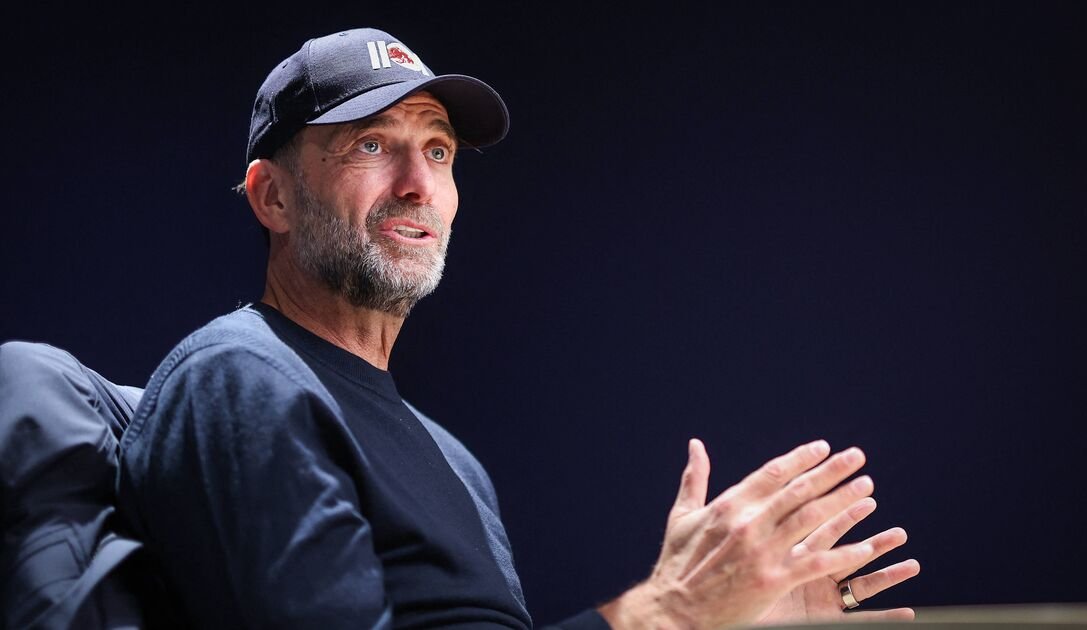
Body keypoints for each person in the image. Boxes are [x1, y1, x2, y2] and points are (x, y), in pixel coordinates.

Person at [13, 26, 920, 629]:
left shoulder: (455, 463)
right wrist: (667, 613)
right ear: (273, 197)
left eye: (438, 150)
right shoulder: (240, 379)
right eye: (373, 144)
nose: (418, 184)